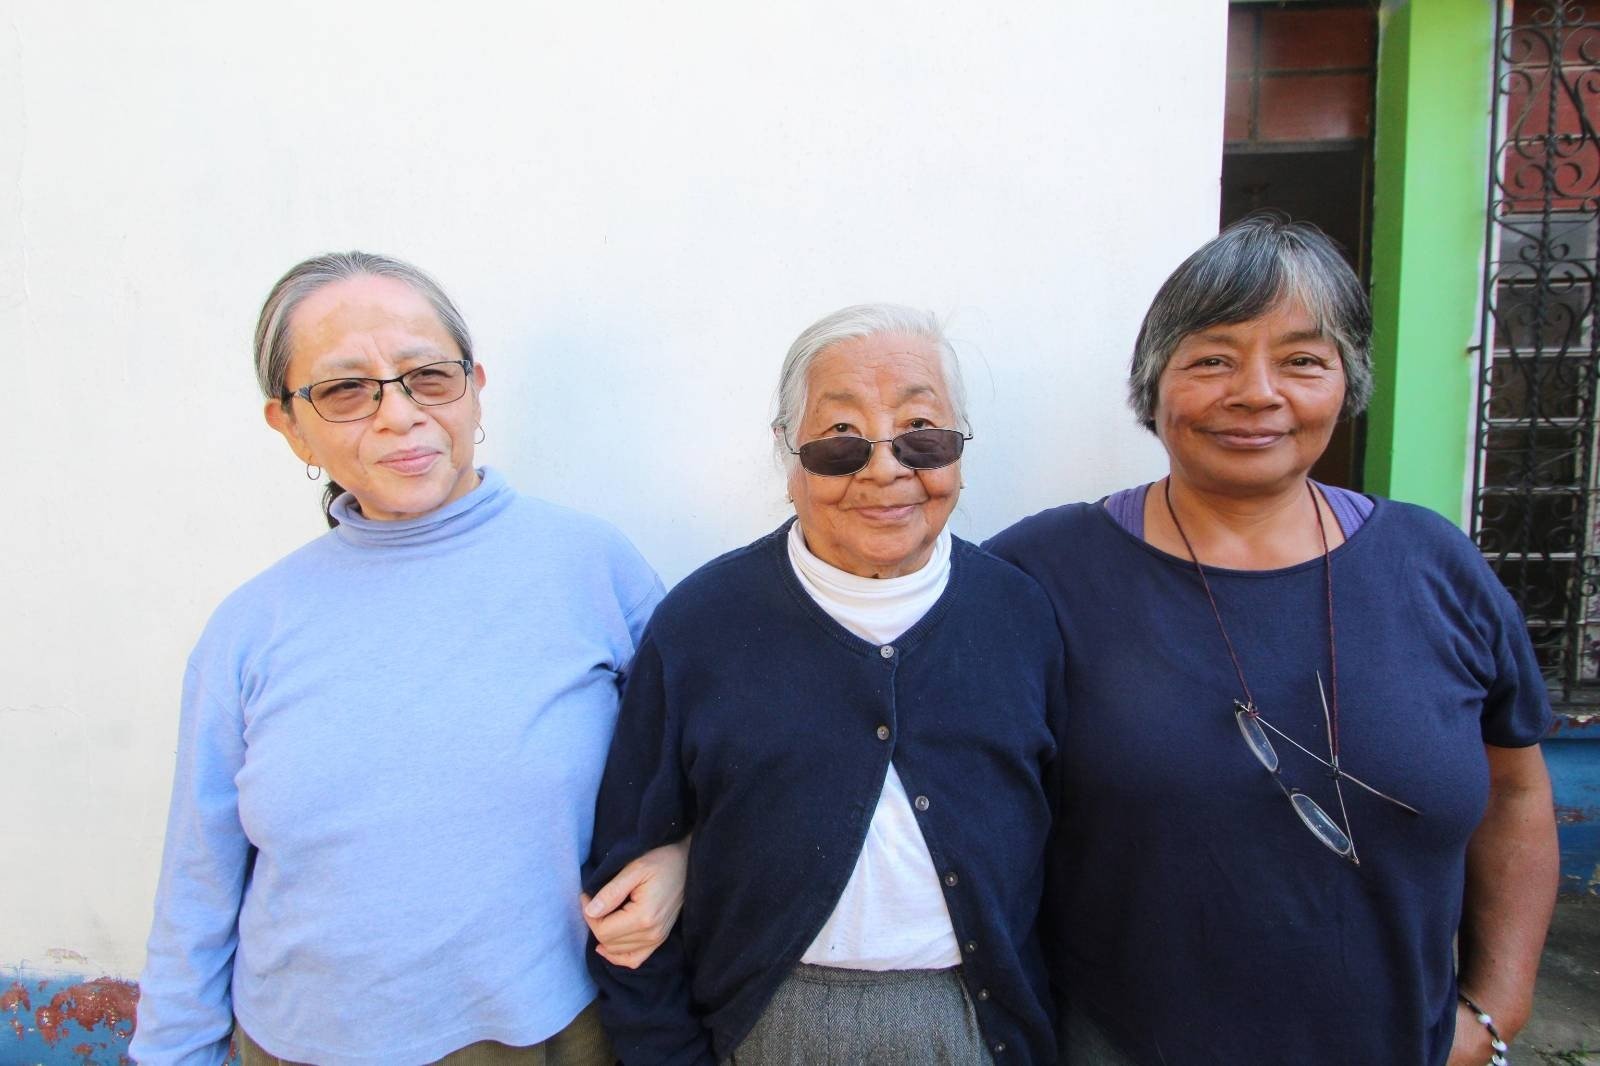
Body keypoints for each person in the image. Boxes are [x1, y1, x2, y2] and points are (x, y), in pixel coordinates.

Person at [984, 216, 1560, 1065]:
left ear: (1346, 380)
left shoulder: (1434, 566)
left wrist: (1495, 1011)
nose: (1257, 392)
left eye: (1301, 360)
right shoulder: (1041, 574)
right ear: (1154, 383)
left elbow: (1514, 796)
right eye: (1213, 358)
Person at [131, 252, 679, 1065]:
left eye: (428, 376)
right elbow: (198, 883)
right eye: (346, 389)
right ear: (289, 425)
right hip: (298, 1045)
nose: (397, 415)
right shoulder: (250, 628)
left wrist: (682, 860)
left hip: (551, 1037)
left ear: (475, 387)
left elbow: (705, 767)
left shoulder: (592, 569)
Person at [583, 304, 1067, 1065]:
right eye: (841, 439)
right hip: (764, 1023)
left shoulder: (1021, 615)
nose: (886, 468)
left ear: (959, 447)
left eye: (922, 432)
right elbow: (623, 883)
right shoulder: (702, 626)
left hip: (980, 1024)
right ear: (789, 452)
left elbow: (1066, 859)